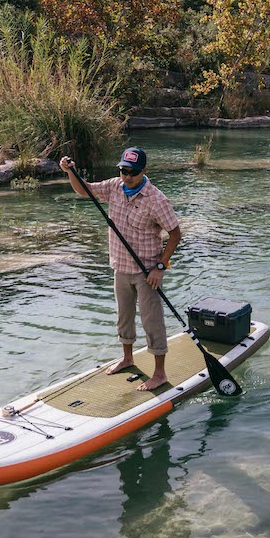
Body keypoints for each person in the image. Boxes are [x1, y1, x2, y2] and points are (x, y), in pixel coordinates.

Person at [60, 147, 181, 389]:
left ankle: (159, 373)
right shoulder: (115, 186)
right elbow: (86, 190)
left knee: (152, 321)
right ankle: (127, 358)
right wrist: (70, 171)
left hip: (148, 271)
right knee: (123, 317)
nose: (127, 176)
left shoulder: (157, 200)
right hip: (120, 266)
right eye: (123, 170)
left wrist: (160, 267)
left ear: (144, 171)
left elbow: (175, 234)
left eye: (132, 172)